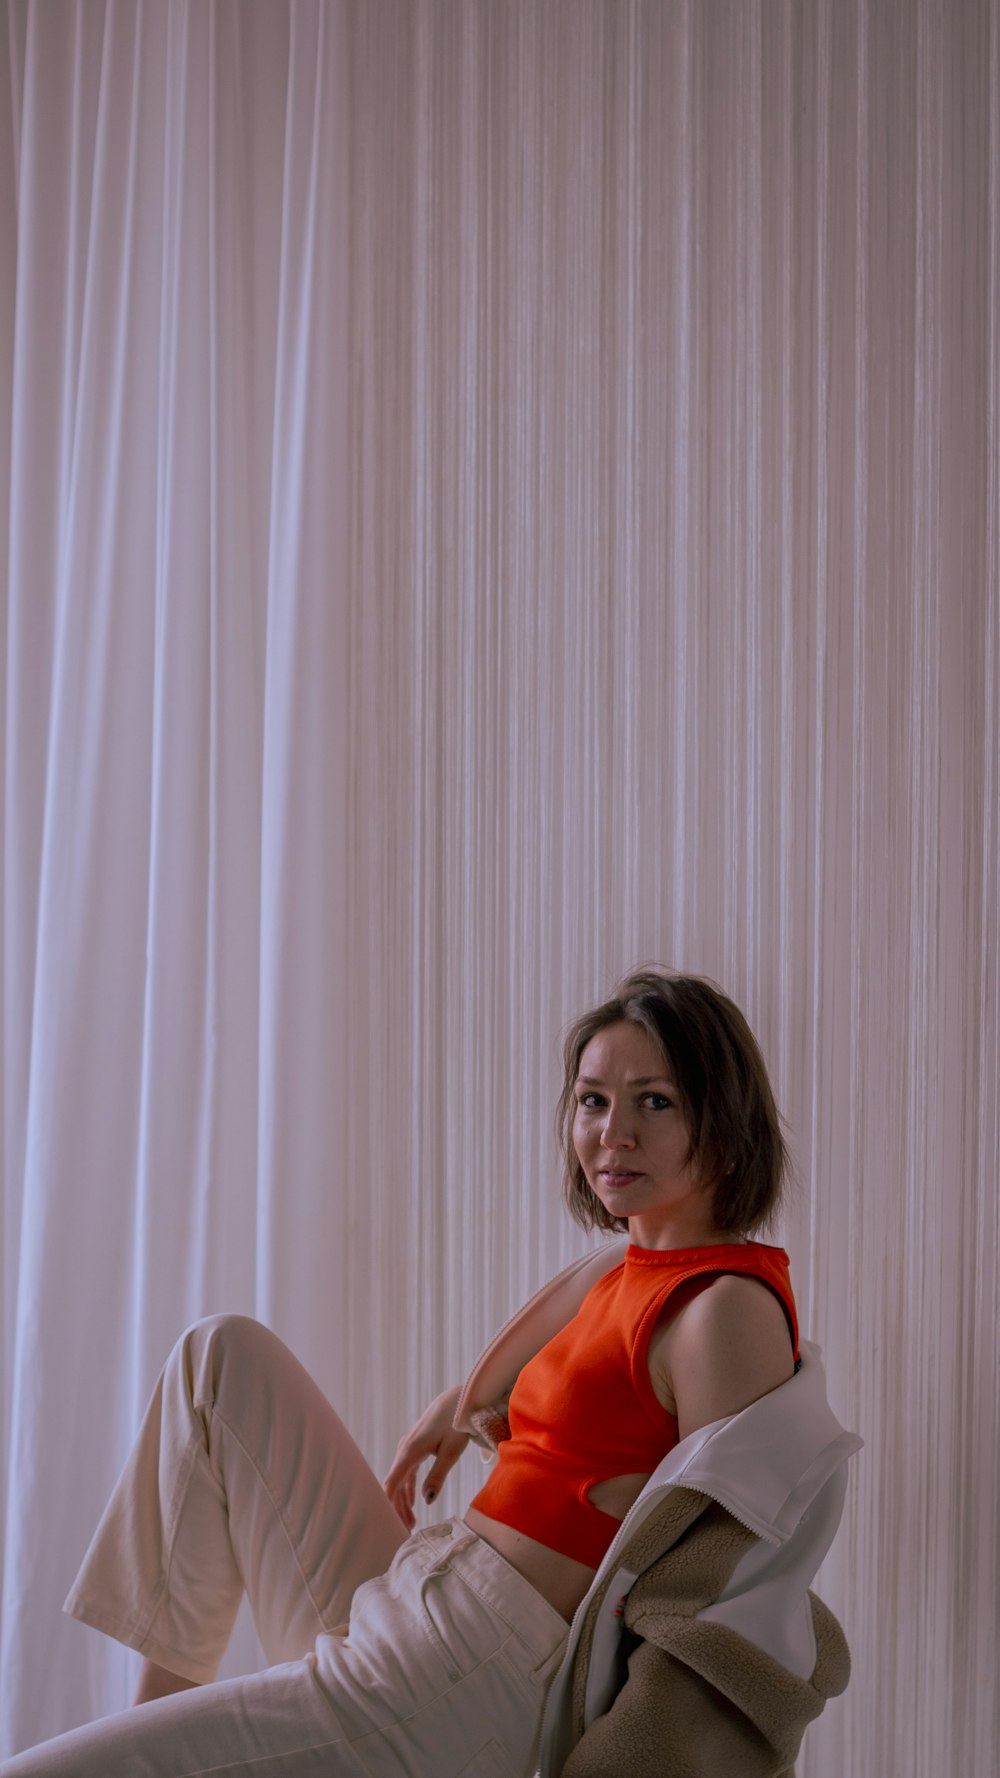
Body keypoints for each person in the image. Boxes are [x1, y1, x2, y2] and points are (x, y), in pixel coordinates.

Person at [0, 968, 860, 1777]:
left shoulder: (723, 1310)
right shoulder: (625, 1267)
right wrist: (461, 1406)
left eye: (655, 1102)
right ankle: (160, 1718)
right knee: (221, 1362)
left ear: (724, 1121)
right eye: (593, 1101)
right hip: (414, 1601)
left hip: (461, 1670)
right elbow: (576, 1394)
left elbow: (716, 1585)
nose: (613, 1133)